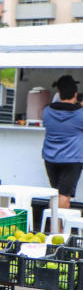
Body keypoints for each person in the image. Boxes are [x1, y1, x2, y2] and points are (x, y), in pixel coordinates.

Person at [42, 75, 83, 229]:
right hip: (71, 160)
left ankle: (55, 226)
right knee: (64, 195)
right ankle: (58, 230)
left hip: (50, 159)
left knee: (56, 193)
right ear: (75, 95)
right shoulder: (80, 114)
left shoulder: (47, 111)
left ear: (59, 93)